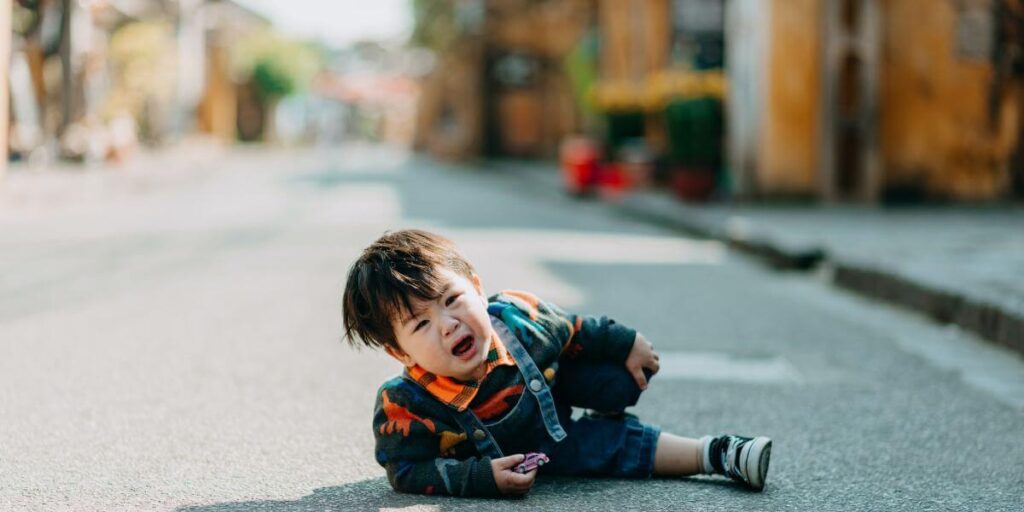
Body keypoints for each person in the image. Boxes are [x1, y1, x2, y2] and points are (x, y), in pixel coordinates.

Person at [342, 229, 772, 497]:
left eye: (452, 300)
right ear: (400, 353)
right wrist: (481, 479)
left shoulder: (515, 317)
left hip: (553, 402)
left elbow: (571, 328)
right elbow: (406, 470)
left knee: (617, 375)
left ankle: (636, 410)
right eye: (420, 324)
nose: (448, 324)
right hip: (540, 455)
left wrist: (626, 343)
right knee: (617, 445)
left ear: (476, 287)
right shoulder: (405, 404)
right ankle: (716, 453)